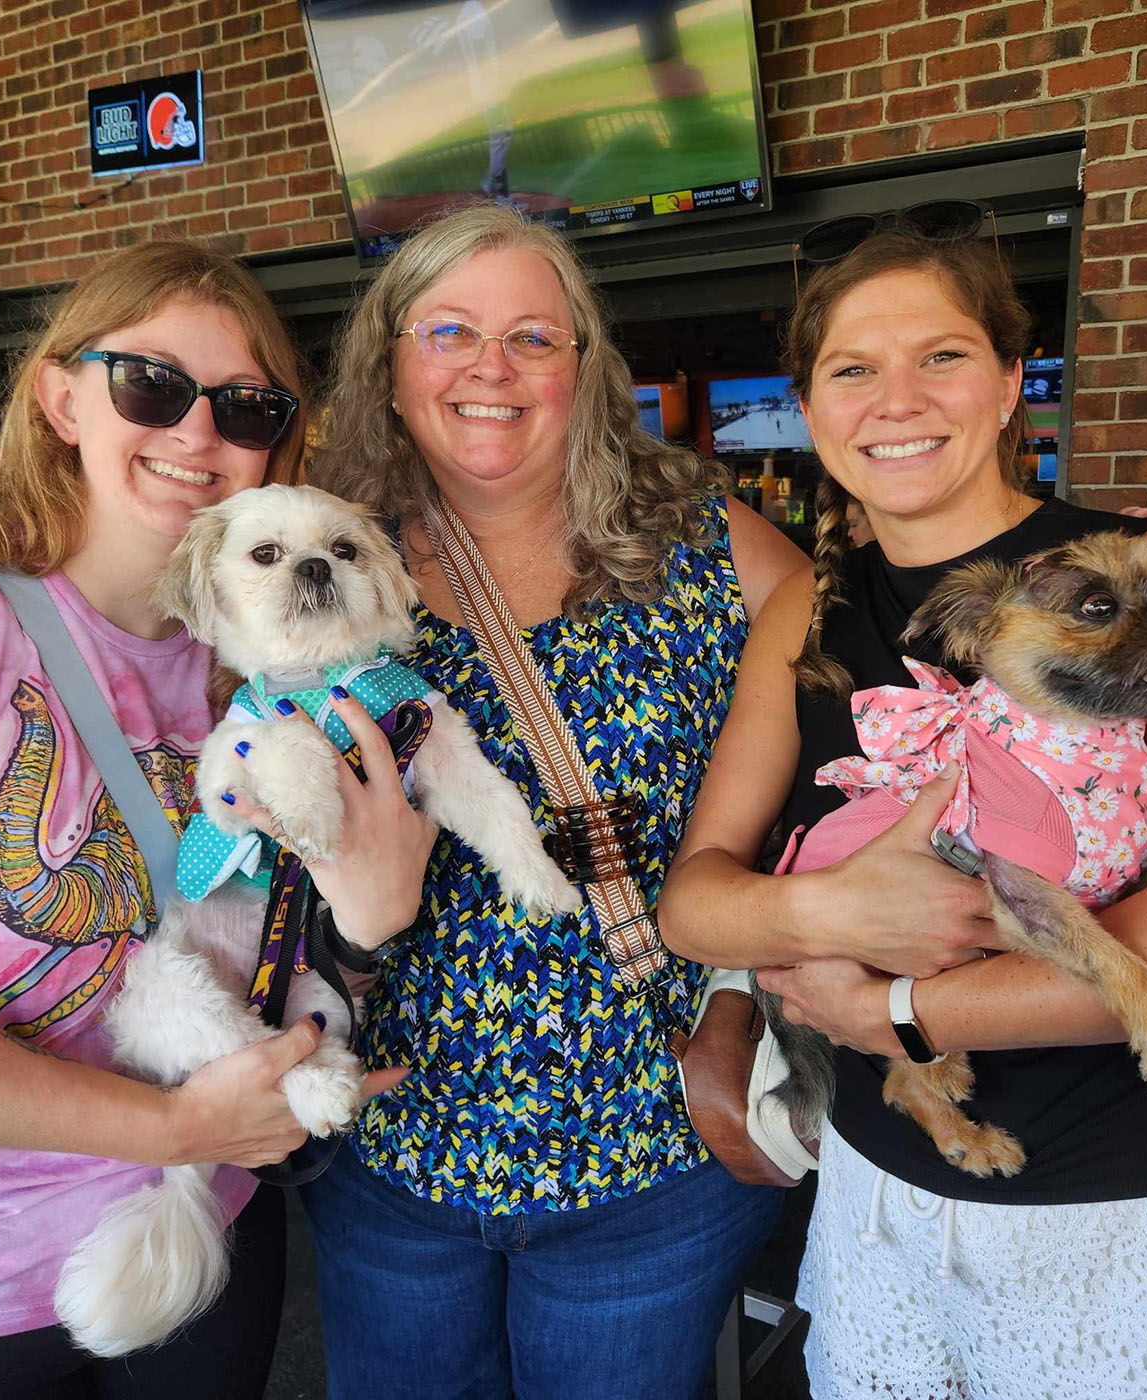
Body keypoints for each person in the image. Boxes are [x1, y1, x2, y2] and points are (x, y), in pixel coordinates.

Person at [659, 229, 1147, 1399]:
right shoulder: (806, 612)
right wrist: (824, 905)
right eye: (851, 369)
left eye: (942, 356)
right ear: (808, 405)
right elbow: (696, 903)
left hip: (1136, 1201)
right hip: (881, 1204)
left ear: (1013, 379)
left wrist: (899, 1007)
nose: (895, 401)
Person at [303, 201, 807, 1400]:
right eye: (449, 331)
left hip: (648, 1152)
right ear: (390, 359)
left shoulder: (703, 543)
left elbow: (842, 757)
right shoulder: (329, 559)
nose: (491, 366)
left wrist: (739, 994)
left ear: (584, 366)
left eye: (533, 335)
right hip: (393, 1151)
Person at [0, 240, 412, 1400]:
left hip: (210, 1229)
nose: (198, 434)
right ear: (58, 395)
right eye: (151, 383)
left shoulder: (268, 660)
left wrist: (366, 925)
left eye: (246, 407)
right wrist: (171, 1126)